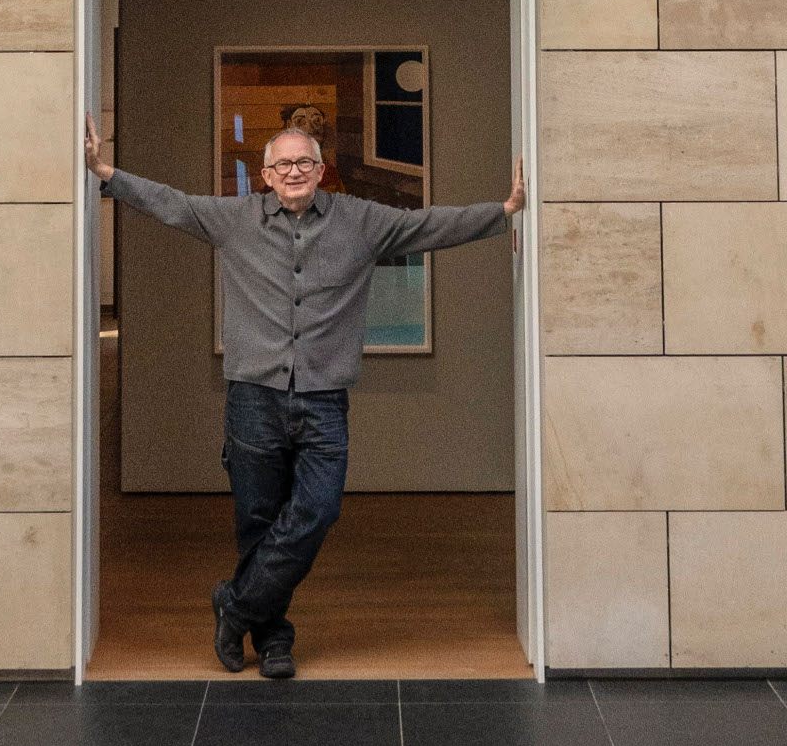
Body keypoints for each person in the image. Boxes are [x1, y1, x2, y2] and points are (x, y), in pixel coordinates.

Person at [85, 110, 526, 678]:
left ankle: (235, 605)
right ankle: (273, 640)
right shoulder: (234, 219)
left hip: (323, 400)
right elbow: (171, 203)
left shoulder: (361, 221)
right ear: (266, 174)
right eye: (283, 164)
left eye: (305, 163)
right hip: (253, 397)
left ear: (322, 171)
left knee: (317, 510)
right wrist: (105, 172)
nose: (294, 171)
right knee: (258, 520)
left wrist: (505, 211)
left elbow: (427, 226)